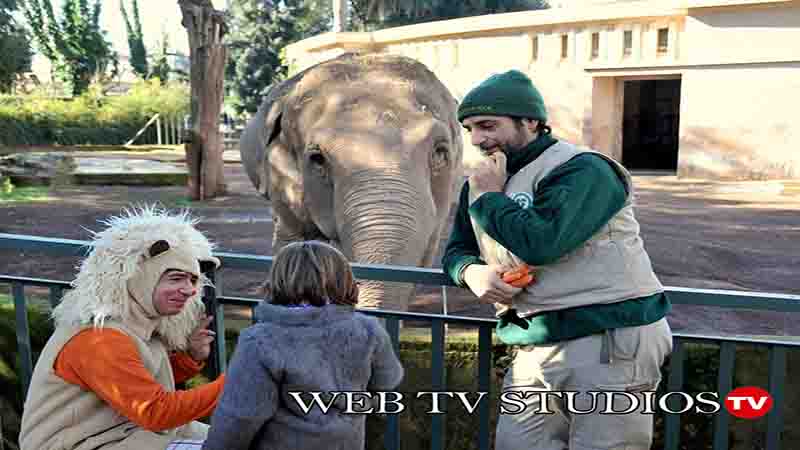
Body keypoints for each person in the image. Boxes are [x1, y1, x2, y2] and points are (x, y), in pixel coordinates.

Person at [442, 70, 673, 450]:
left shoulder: (584, 169)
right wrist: (471, 272)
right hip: (537, 341)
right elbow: (456, 250)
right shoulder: (484, 182)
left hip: (609, 338)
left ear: (530, 122)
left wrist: (489, 199)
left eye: (487, 125)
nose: (478, 139)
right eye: (469, 129)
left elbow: (543, 242)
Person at [19, 206, 225, 450]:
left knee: (246, 440)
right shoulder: (100, 339)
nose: (190, 290)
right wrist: (240, 381)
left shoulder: (141, 323)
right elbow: (155, 411)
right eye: (176, 278)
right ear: (141, 277)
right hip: (82, 445)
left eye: (193, 280)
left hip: (124, 435)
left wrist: (188, 358)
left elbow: (132, 382)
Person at [202, 241, 404, 450]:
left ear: (278, 280)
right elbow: (389, 379)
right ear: (344, 279)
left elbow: (240, 417)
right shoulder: (369, 330)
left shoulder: (260, 341)